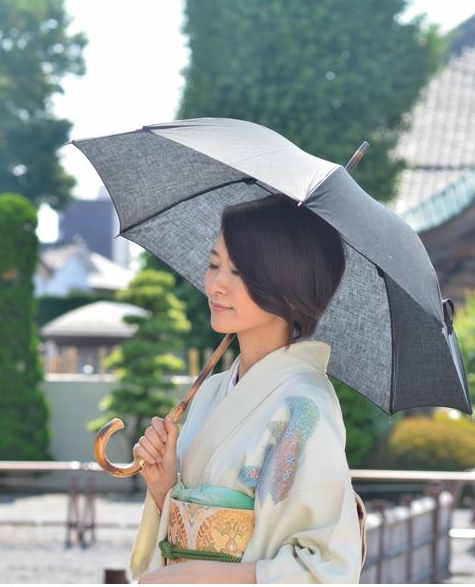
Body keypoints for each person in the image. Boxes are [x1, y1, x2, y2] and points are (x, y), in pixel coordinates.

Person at [129, 194, 366, 583]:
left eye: (238, 272)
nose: (216, 285)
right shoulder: (213, 390)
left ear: (288, 287)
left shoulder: (305, 407)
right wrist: (164, 486)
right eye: (214, 264)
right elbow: (184, 537)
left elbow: (324, 570)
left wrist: (195, 576)